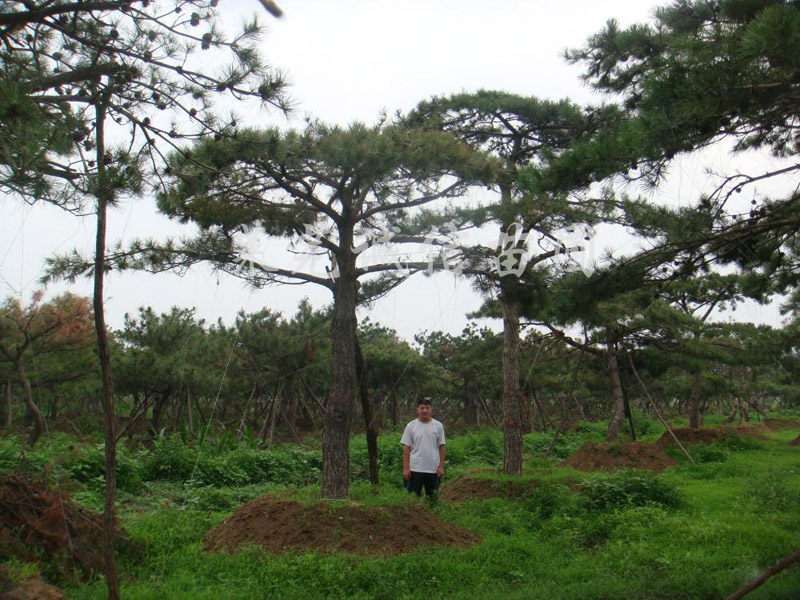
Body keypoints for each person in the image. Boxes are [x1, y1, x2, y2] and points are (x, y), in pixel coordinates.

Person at [401, 400, 446, 497]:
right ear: (417, 410)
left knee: (432, 497)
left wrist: (441, 467)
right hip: (415, 468)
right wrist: (406, 468)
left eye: (427, 408)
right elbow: (406, 448)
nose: (425, 410)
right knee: (412, 497)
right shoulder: (411, 426)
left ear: (431, 410)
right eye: (422, 408)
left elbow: (441, 447)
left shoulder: (438, 426)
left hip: (433, 469)